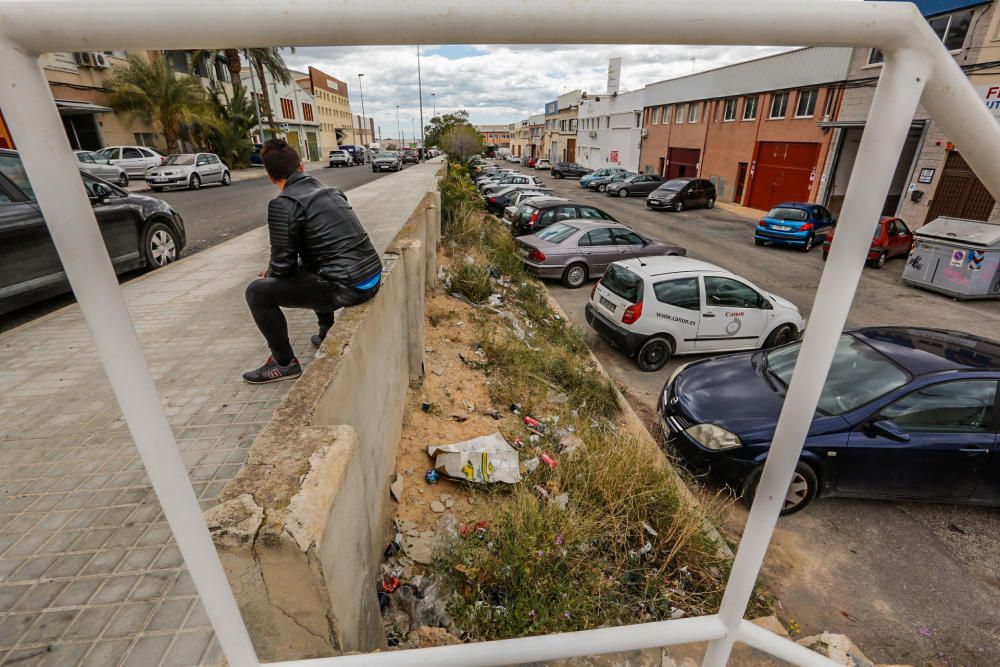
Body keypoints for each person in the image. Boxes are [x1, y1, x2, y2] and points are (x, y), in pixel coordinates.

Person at [242, 139, 382, 384]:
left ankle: (283, 363)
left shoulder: (283, 204)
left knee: (256, 292)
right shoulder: (331, 191)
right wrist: (277, 270)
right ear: (302, 166)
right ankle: (326, 330)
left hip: (348, 288)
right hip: (371, 276)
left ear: (270, 176)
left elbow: (283, 266)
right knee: (313, 262)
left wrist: (271, 274)